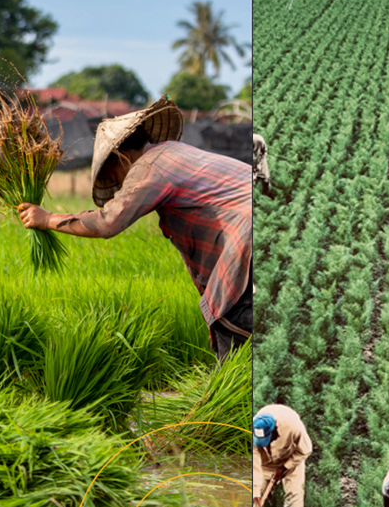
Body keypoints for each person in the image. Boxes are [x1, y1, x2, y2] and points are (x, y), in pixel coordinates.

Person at [17, 97, 252, 361]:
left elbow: (107, 223)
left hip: (248, 239)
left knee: (233, 334)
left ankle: (229, 397)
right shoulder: (174, 152)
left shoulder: (150, 167)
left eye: (111, 175)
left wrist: (47, 219)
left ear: (120, 156)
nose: (117, 184)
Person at [252, 404, 312, 507]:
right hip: (265, 463)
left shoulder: (294, 427)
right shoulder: (253, 429)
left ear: (275, 429)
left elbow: (305, 450)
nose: (266, 444)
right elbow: (254, 464)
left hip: (292, 459)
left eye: (268, 439)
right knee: (256, 498)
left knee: (294, 495)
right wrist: (255, 491)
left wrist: (285, 467)